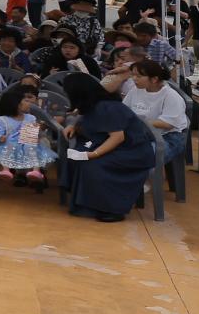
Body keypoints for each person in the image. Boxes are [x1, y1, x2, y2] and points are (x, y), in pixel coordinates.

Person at [61, 72, 157, 222]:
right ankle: (88, 203)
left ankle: (113, 208)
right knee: (76, 156)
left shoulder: (109, 107)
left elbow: (118, 137)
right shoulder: (93, 104)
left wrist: (95, 154)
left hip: (131, 153)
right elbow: (81, 115)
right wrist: (74, 125)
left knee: (93, 164)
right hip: (119, 147)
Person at [120, 59, 189, 168]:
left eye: (138, 76)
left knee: (141, 157)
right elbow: (123, 111)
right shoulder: (135, 90)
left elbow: (167, 124)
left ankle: (142, 183)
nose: (134, 79)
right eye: (133, 75)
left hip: (168, 137)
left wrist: (137, 122)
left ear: (154, 79)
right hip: (141, 134)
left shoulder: (171, 96)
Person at [0, 87, 54, 186]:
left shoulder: (31, 117)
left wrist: (37, 132)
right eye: (26, 100)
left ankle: (36, 172)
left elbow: (33, 132)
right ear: (16, 104)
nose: (29, 103)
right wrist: (1, 137)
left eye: (30, 99)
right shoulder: (3, 119)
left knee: (34, 147)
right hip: (11, 143)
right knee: (9, 146)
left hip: (28, 141)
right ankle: (11, 171)